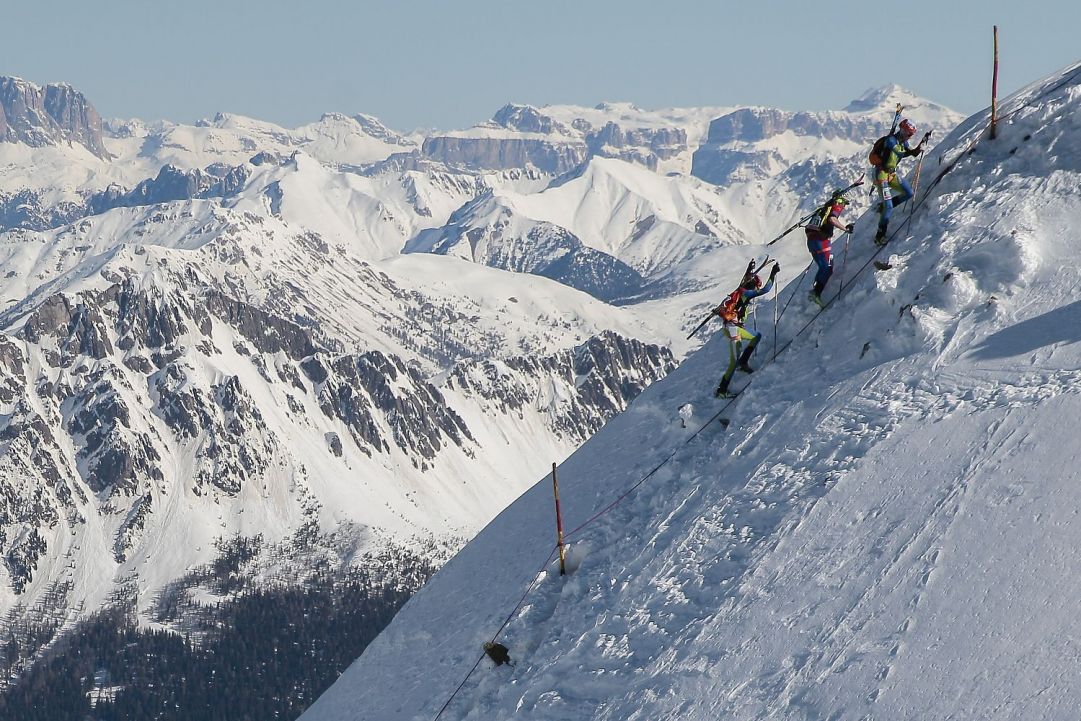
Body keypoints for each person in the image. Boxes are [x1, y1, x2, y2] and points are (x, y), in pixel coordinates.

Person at [714, 262, 780, 398]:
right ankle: (721, 390)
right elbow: (765, 290)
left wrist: (750, 268)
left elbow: (746, 278)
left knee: (756, 336)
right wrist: (773, 274)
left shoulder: (737, 292)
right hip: (734, 330)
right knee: (733, 362)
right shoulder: (746, 294)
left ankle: (743, 363)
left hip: (733, 328)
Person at [871, 118, 929, 245]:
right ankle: (880, 235)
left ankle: (885, 206)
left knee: (908, 193)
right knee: (890, 207)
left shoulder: (902, 143)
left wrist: (922, 144)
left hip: (890, 174)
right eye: (908, 133)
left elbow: (911, 153)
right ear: (902, 130)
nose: (909, 136)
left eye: (911, 134)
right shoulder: (892, 141)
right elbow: (898, 151)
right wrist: (918, 147)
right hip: (881, 175)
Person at [805, 190, 854, 307]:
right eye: (845, 203)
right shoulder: (836, 205)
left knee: (823, 267)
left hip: (811, 241)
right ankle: (816, 293)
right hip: (822, 241)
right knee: (828, 268)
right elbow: (832, 219)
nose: (844, 206)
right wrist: (845, 229)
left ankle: (815, 291)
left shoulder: (825, 207)